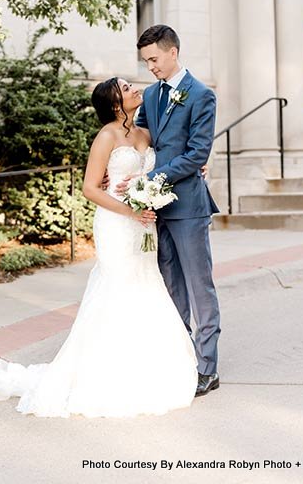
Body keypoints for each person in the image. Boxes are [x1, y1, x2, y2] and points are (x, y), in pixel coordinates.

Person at [0, 77, 198, 418]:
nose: (135, 87)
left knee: (147, 286)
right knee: (117, 290)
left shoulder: (144, 134)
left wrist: (196, 165)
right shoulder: (106, 136)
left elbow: (169, 161)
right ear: (114, 102)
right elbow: (91, 188)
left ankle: (144, 369)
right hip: (118, 223)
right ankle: (104, 374)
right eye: (125, 87)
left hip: (144, 223)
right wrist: (130, 209)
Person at [122, 24, 221, 397]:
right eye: (146, 61)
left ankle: (208, 369)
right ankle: (179, 360)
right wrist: (124, 168)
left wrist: (151, 178)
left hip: (188, 208)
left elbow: (197, 154)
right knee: (170, 288)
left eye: (154, 59)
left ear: (172, 52)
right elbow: (141, 140)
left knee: (200, 288)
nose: (150, 67)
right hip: (154, 210)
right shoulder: (150, 96)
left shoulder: (201, 95)